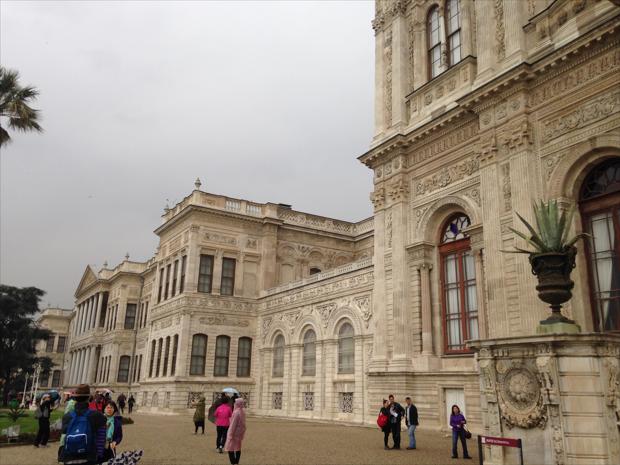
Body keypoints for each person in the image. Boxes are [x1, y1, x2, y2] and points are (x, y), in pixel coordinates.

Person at [60, 384, 107, 465]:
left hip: (69, 456)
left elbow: (64, 432)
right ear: (89, 398)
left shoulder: (67, 417)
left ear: (74, 398)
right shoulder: (95, 415)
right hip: (88, 456)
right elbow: (104, 422)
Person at [224, 398, 246, 465]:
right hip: (239, 433)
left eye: (235, 403)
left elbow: (233, 424)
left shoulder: (236, 412)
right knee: (238, 448)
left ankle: (233, 463)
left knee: (230, 448)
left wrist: (230, 434)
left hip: (234, 433)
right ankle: (236, 462)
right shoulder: (242, 411)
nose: (234, 404)